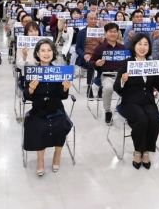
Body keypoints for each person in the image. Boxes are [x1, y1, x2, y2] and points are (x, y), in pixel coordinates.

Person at [114, 33, 159, 169]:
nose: (142, 47)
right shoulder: (127, 63)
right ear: (134, 46)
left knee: (155, 120)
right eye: (139, 44)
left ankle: (147, 151)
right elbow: (117, 88)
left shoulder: (151, 63)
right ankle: (138, 151)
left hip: (148, 101)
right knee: (142, 120)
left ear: (149, 47)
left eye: (146, 44)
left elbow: (157, 84)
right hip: (130, 101)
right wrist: (123, 80)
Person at [22, 39, 73, 176]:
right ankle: (40, 160)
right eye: (43, 50)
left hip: (56, 108)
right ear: (37, 53)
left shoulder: (59, 71)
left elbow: (62, 96)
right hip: (38, 109)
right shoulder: (32, 71)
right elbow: (26, 96)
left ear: (53, 53)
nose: (46, 53)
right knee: (38, 126)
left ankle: (57, 153)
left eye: (49, 50)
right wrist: (31, 89)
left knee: (61, 124)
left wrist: (65, 88)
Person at [89, 22, 127, 124]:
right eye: (110, 31)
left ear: (118, 33)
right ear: (106, 33)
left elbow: (129, 61)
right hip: (107, 76)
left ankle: (127, 109)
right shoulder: (100, 48)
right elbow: (91, 62)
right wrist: (96, 63)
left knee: (132, 88)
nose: (113, 34)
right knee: (108, 88)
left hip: (121, 76)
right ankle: (108, 111)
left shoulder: (123, 48)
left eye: (115, 31)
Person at [75, 12, 102, 98]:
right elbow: (78, 48)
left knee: (104, 63)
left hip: (99, 55)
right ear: (87, 20)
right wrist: (84, 55)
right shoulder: (82, 32)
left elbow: (105, 45)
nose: (93, 21)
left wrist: (102, 39)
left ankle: (101, 87)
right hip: (87, 55)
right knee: (91, 63)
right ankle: (89, 88)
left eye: (95, 19)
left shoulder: (101, 31)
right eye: (91, 19)